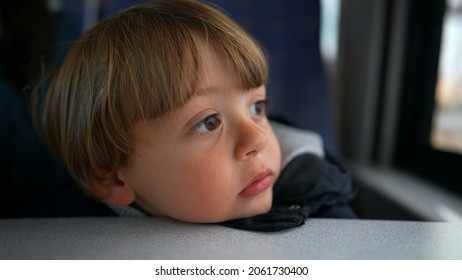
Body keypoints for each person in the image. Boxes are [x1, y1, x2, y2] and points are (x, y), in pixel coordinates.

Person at [32, 0, 356, 231]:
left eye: (257, 107)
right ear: (115, 179)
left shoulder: (319, 195)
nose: (257, 138)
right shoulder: (60, 236)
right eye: (209, 122)